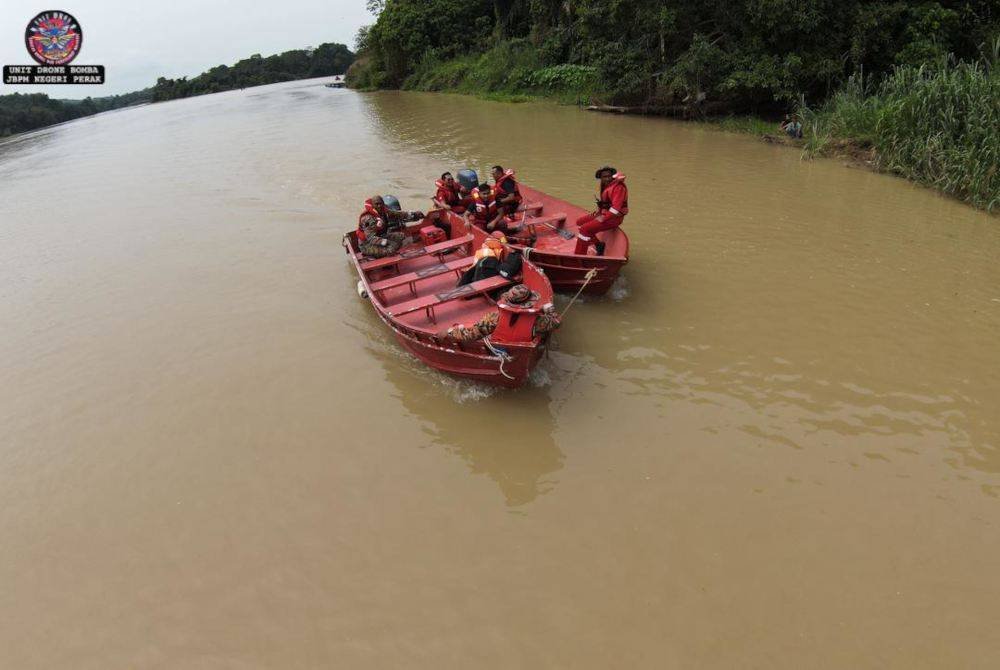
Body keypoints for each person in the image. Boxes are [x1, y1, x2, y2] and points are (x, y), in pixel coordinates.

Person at [574, 166, 628, 256]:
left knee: (584, 229)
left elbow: (616, 208)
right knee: (580, 222)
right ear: (601, 178)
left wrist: (603, 218)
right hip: (604, 213)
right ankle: (598, 245)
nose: (607, 179)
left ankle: (579, 255)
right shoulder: (606, 186)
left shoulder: (618, 188)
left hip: (614, 218)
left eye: (609, 176)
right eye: (604, 177)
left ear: (613, 176)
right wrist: (598, 212)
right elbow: (605, 203)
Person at [357, 195, 424, 258]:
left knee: (401, 236)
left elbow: (398, 214)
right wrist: (386, 242)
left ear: (383, 203)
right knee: (391, 249)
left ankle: (382, 252)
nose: (379, 206)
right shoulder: (368, 219)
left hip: (379, 237)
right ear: (373, 205)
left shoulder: (384, 211)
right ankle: (378, 258)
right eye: (377, 204)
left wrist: (414, 214)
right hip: (367, 244)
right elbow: (371, 239)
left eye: (381, 203)